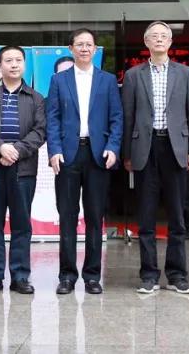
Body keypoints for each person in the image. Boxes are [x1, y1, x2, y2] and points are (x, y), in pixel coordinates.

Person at [122, 21, 189, 294]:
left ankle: (177, 275)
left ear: (170, 42)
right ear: (146, 42)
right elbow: (128, 116)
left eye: (163, 36)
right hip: (144, 149)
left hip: (176, 148)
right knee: (146, 216)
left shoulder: (185, 73)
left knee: (177, 216)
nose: (158, 39)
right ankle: (148, 275)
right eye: (153, 36)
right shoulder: (133, 75)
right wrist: (127, 154)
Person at [46, 28, 123, 295]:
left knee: (94, 216)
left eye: (89, 44)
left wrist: (113, 147)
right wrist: (54, 150)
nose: (84, 48)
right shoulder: (59, 80)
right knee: (67, 216)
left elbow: (117, 118)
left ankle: (92, 276)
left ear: (95, 49)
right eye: (79, 44)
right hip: (67, 155)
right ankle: (67, 276)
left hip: (98, 154)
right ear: (71, 49)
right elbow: (52, 118)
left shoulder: (107, 80)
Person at [0, 45, 46, 295]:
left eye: (18, 60)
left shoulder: (35, 97)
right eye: (8, 61)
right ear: (0, 65)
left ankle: (20, 276)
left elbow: (40, 131)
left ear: (24, 65)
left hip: (23, 169)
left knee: (21, 223)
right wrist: (1, 148)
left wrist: (16, 151)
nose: (14, 65)